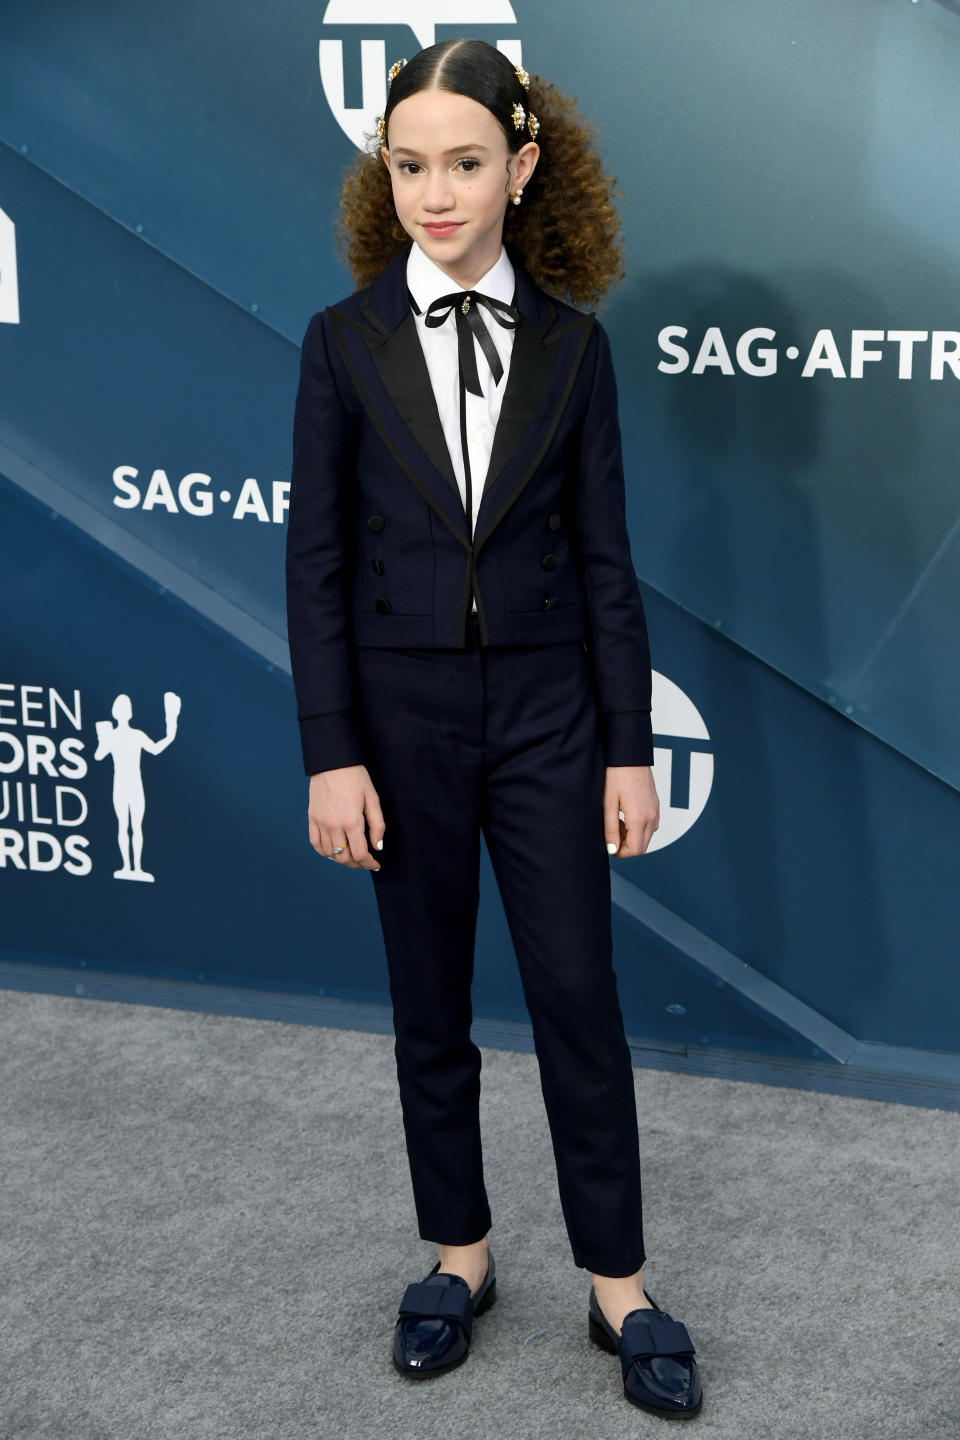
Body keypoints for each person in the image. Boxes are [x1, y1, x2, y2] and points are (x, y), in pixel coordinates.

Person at [285, 37, 702, 1419]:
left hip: (547, 718)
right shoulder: (340, 346)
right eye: (410, 166)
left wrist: (629, 747)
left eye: (466, 163)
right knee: (430, 1008)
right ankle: (459, 1257)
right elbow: (317, 567)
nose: (436, 193)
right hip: (397, 725)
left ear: (522, 168)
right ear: (384, 172)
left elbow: (604, 564)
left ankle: (620, 1285)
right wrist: (331, 752)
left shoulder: (575, 352)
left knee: (580, 997)